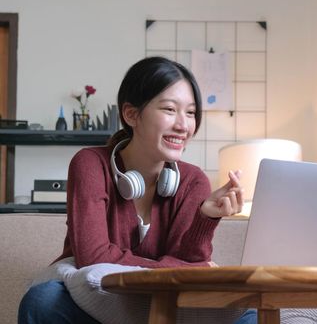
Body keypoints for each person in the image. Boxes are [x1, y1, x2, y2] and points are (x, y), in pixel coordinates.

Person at [18, 56, 244, 324]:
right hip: (94, 303)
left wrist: (205, 220)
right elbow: (94, 258)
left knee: (250, 315)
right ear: (131, 114)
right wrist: (184, 268)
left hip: (165, 308)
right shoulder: (90, 164)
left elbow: (188, 276)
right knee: (43, 301)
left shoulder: (194, 181)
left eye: (191, 112)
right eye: (170, 109)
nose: (183, 125)